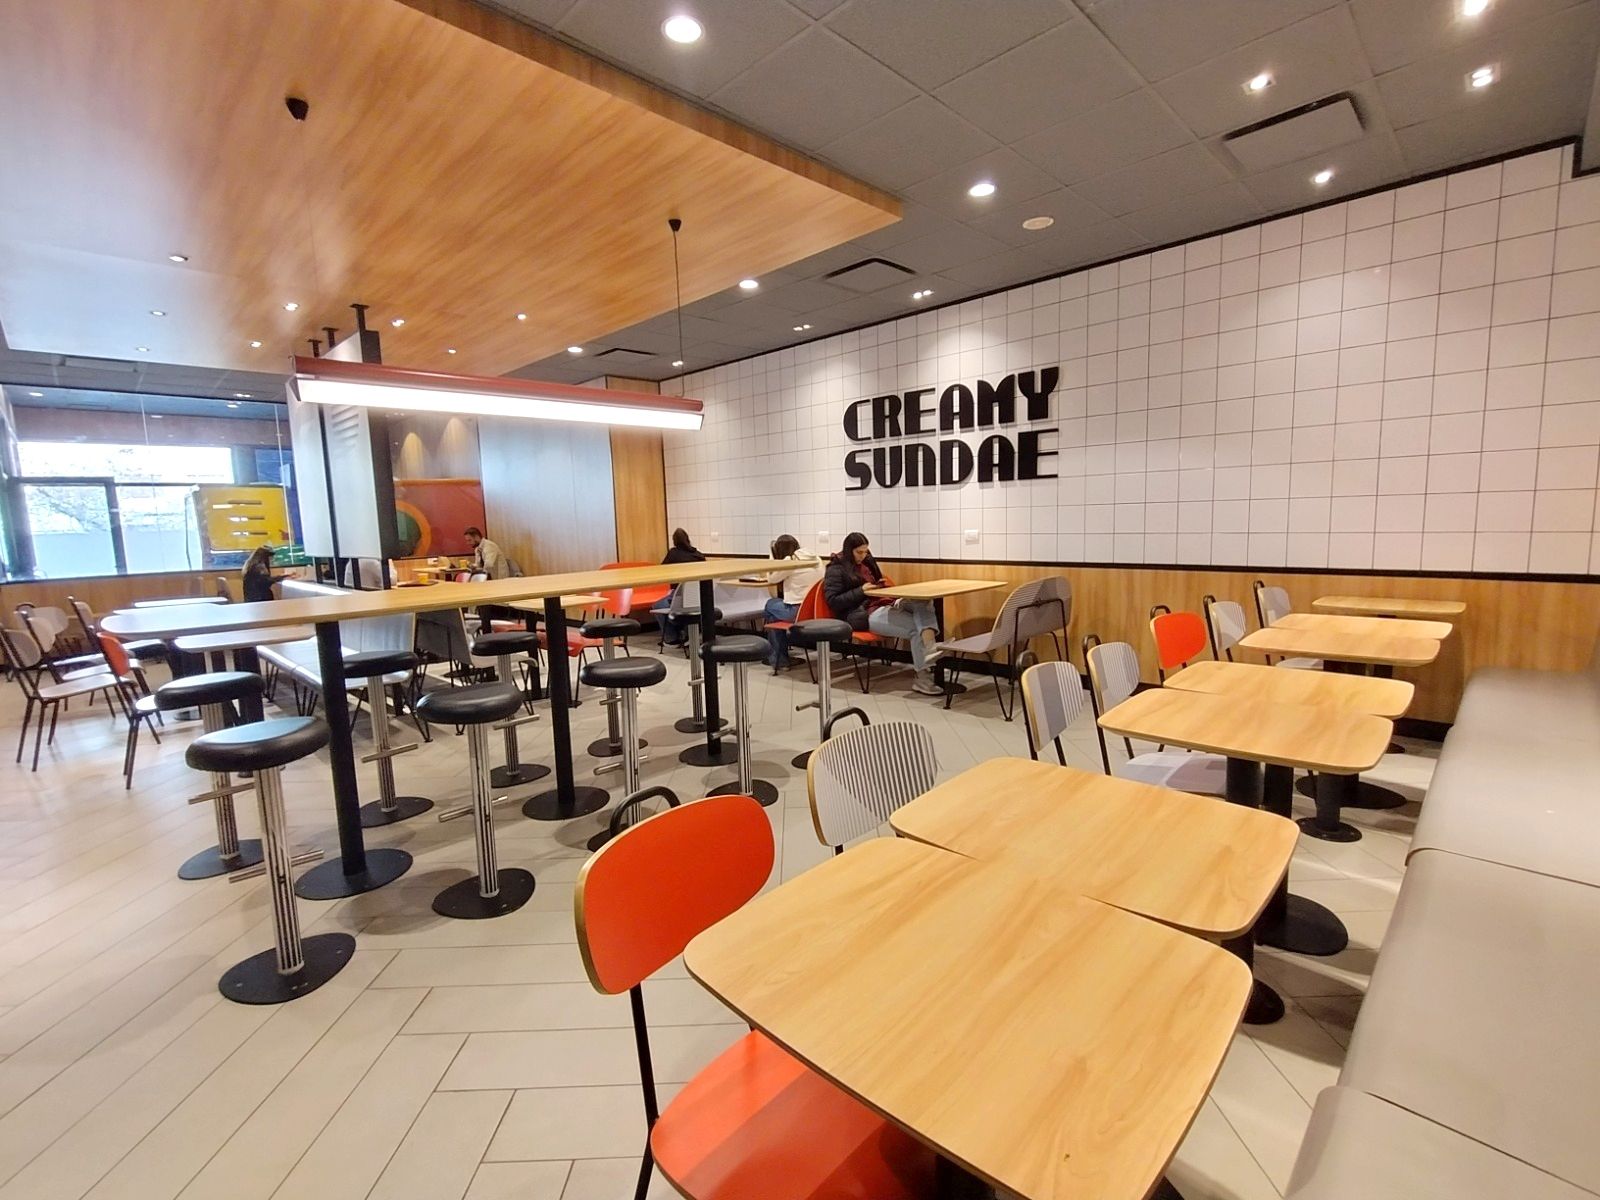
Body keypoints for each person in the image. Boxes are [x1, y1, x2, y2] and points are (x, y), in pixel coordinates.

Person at [822, 532, 943, 696]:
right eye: (859, 552)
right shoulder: (836, 568)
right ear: (849, 550)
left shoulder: (867, 562)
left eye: (866, 551)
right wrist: (861, 591)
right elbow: (833, 601)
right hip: (866, 613)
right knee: (917, 628)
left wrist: (880, 586)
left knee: (924, 602)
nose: (863, 556)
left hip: (885, 603)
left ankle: (930, 648)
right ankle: (924, 675)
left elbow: (876, 583)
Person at [763, 534, 822, 669]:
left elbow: (771, 579)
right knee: (773, 617)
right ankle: (779, 659)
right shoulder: (816, 558)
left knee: (770, 604)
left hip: (797, 612)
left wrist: (772, 558)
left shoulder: (790, 561)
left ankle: (779, 660)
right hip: (815, 611)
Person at [655, 528, 705, 646]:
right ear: (688, 539)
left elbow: (661, 570)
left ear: (674, 541)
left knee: (657, 606)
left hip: (679, 595)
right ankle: (688, 634)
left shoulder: (673, 553)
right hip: (699, 596)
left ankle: (671, 638)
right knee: (689, 607)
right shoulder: (698, 555)